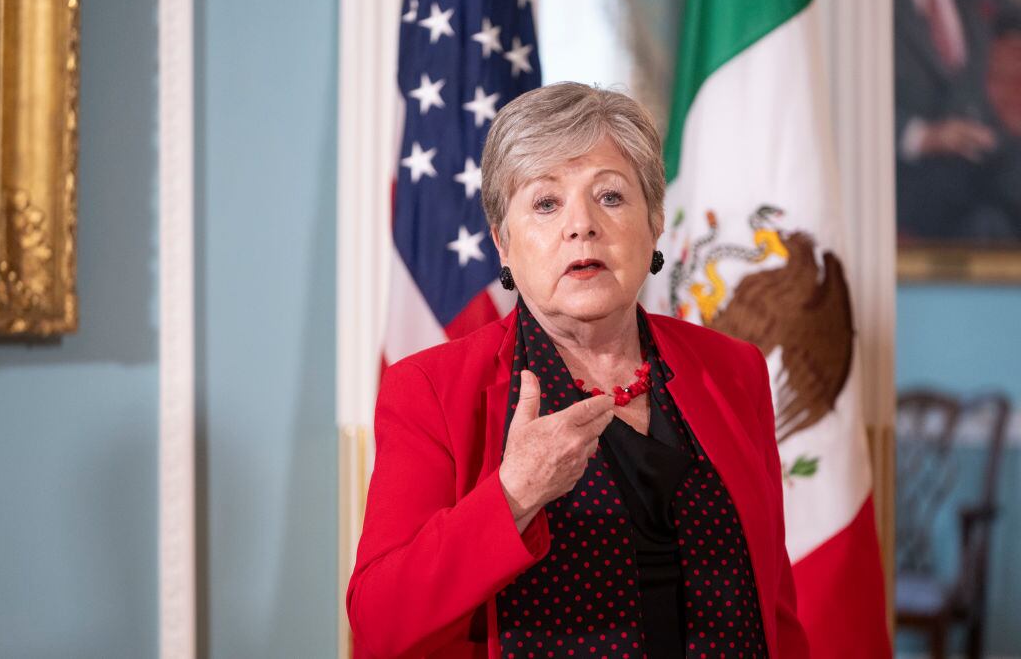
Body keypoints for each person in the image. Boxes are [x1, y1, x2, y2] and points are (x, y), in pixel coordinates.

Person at [346, 82, 809, 658]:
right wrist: (514, 496)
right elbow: (379, 620)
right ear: (502, 243)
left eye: (611, 197)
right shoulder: (431, 390)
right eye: (545, 203)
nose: (581, 225)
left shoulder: (733, 370)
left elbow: (776, 610)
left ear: (655, 221)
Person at [895, 0, 1021, 241]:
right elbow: (846, 96)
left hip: (987, 150)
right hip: (911, 167)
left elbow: (1011, 20)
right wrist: (923, 136)